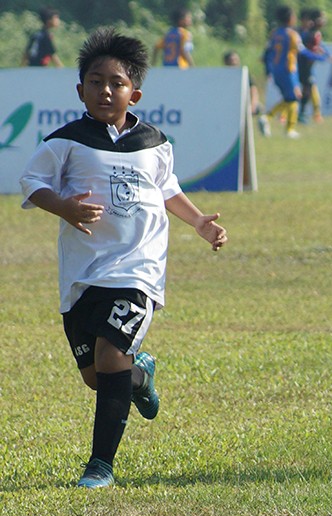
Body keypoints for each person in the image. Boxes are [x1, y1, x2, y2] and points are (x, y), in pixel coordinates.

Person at [19, 28, 227, 489]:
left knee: (111, 354)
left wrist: (198, 223)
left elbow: (167, 187)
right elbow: (32, 183)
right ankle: (140, 374)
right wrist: (66, 208)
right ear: (80, 90)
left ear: (134, 93)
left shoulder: (154, 141)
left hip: (138, 269)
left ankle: (100, 467)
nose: (105, 91)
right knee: (99, 376)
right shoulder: (66, 140)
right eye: (95, 82)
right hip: (82, 275)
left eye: (115, 83)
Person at [262, 5, 315, 138]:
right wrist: (323, 57)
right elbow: (304, 52)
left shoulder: (274, 33)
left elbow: (267, 53)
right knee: (294, 97)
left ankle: (269, 118)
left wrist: (268, 70)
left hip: (276, 70)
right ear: (290, 18)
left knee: (290, 98)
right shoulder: (292, 34)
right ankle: (285, 127)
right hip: (288, 69)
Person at [298, 8, 332, 124]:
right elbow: (306, 52)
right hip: (302, 67)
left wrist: (327, 54)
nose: (324, 21)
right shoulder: (309, 34)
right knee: (306, 90)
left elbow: (319, 47)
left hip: (308, 68)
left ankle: (311, 114)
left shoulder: (316, 33)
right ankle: (300, 114)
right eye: (322, 18)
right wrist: (323, 58)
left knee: (309, 89)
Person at [225, 49, 270, 137]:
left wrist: (253, 104)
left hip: (245, 102)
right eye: (231, 60)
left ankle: (264, 130)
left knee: (261, 110)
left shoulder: (244, 74)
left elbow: (253, 90)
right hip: (230, 104)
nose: (234, 63)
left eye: (236, 60)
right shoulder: (223, 75)